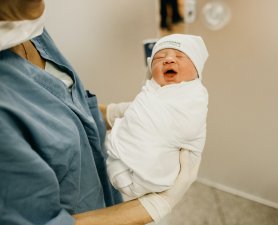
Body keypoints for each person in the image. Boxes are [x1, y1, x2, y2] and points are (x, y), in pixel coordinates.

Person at [0, 1, 202, 225]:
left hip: (107, 191)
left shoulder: (26, 26)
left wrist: (112, 113)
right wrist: (153, 206)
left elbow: (60, 105)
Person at [105, 34, 209, 200]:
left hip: (151, 175)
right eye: (159, 57)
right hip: (119, 158)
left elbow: (188, 128)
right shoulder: (151, 88)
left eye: (180, 56)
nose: (168, 60)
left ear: (196, 69)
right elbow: (138, 115)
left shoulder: (194, 95)